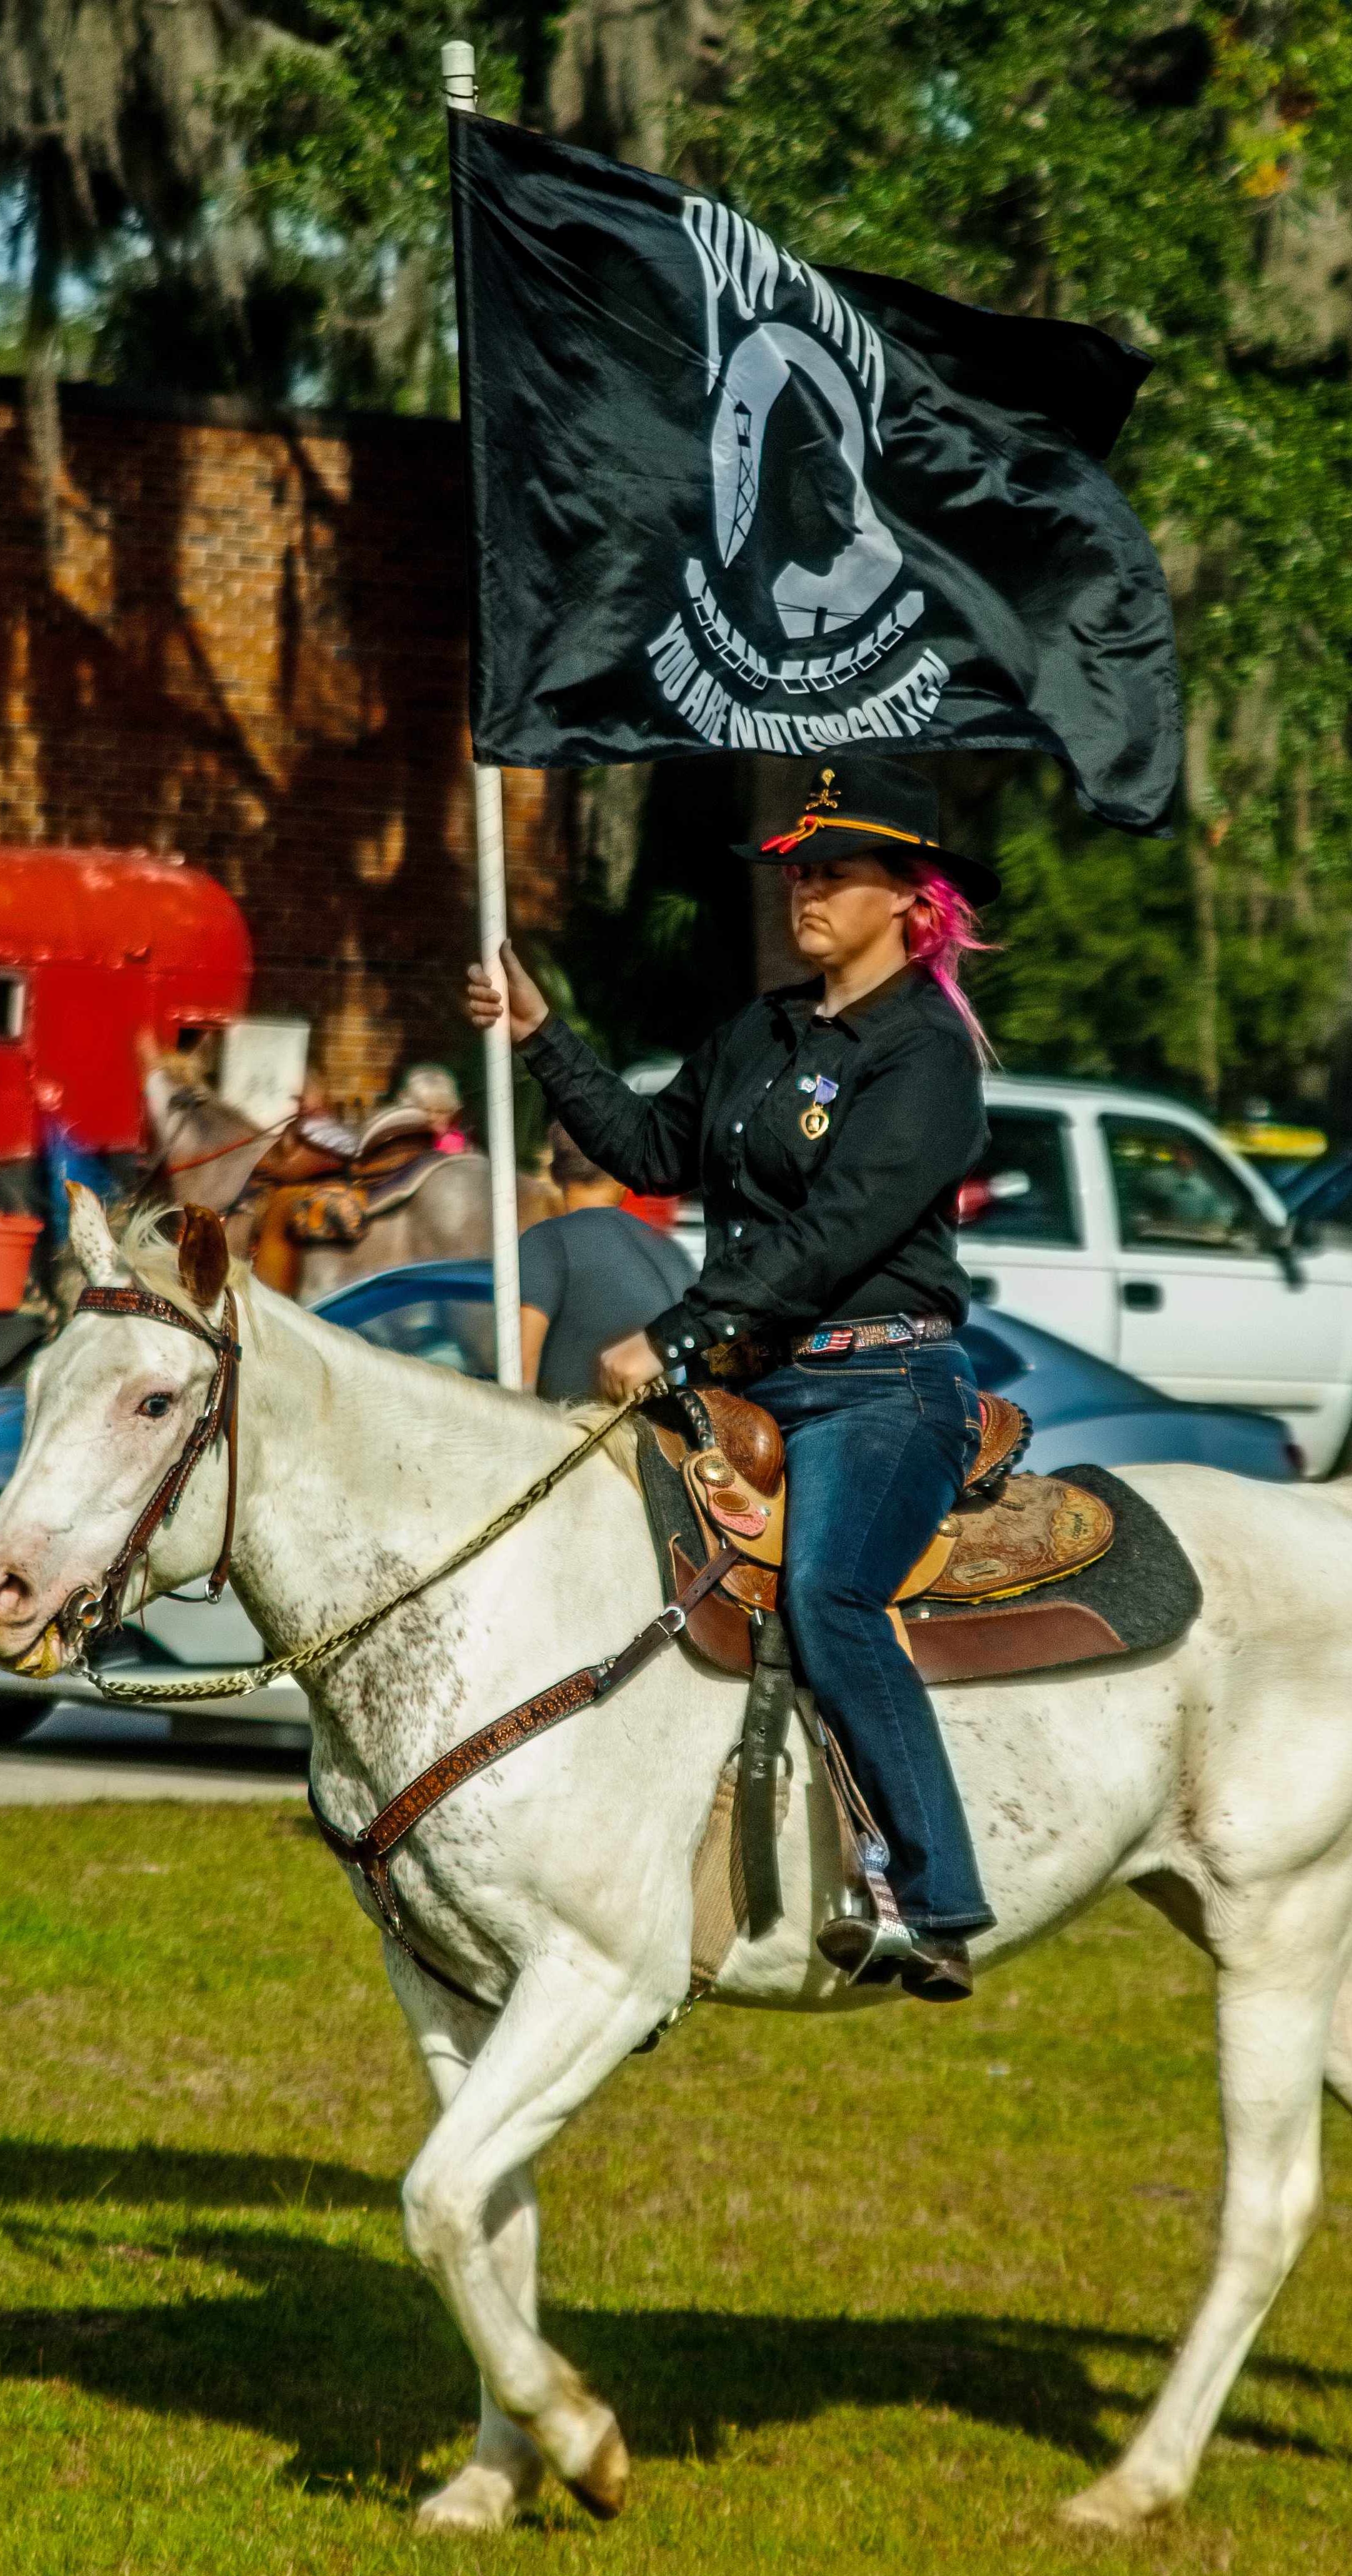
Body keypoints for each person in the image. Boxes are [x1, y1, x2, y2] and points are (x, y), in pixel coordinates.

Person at [466, 754, 1000, 2003]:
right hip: (752, 1382)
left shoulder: (926, 1055)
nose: (803, 890)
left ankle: (932, 1900)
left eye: (832, 872)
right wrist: (541, 1034)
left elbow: (838, 1232)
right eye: (796, 871)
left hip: (882, 1385)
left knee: (828, 1593)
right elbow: (652, 1146)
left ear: (908, 897)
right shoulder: (762, 1029)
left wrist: (678, 1333)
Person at [518, 1124, 696, 1401]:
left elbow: (518, 1372)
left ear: (554, 1173)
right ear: (624, 1179)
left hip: (578, 1426)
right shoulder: (674, 1252)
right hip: (667, 1423)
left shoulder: (545, 1241)